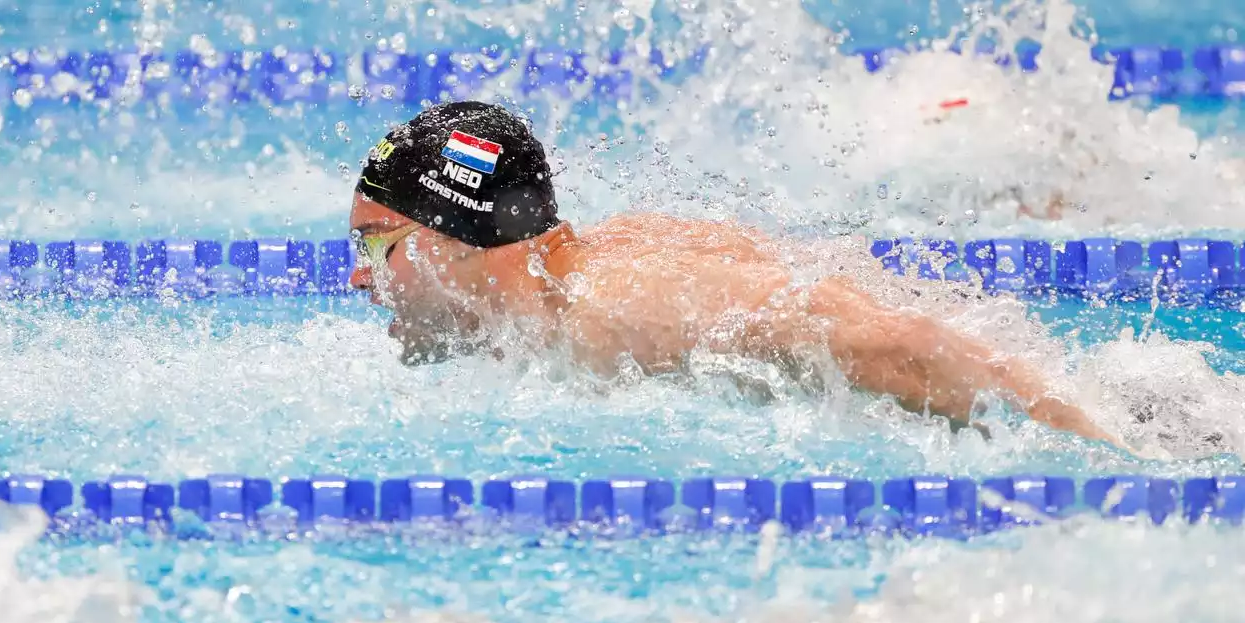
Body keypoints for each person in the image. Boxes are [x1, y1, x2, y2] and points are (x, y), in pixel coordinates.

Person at [348, 100, 1120, 446]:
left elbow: (901, 342)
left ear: (460, 238)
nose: (359, 280)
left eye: (378, 246)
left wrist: (1107, 444)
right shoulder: (591, 261)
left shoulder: (610, 313)